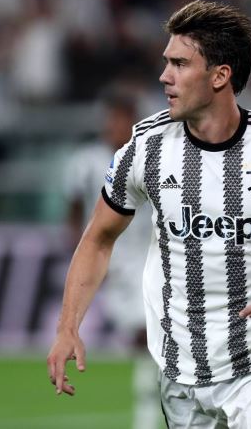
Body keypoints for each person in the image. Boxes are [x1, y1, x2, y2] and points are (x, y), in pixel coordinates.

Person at [48, 0, 251, 428]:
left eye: (180, 64)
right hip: (182, 377)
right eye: (166, 62)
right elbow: (97, 238)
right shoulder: (145, 149)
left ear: (220, 76)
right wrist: (67, 326)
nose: (164, 76)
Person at [62, 90, 159, 429]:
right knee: (136, 333)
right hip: (108, 259)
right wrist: (77, 253)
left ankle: (148, 397)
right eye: (114, 117)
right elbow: (74, 210)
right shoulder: (84, 162)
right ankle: (149, 386)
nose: (118, 124)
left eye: (124, 118)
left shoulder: (148, 157)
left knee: (145, 331)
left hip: (145, 256)